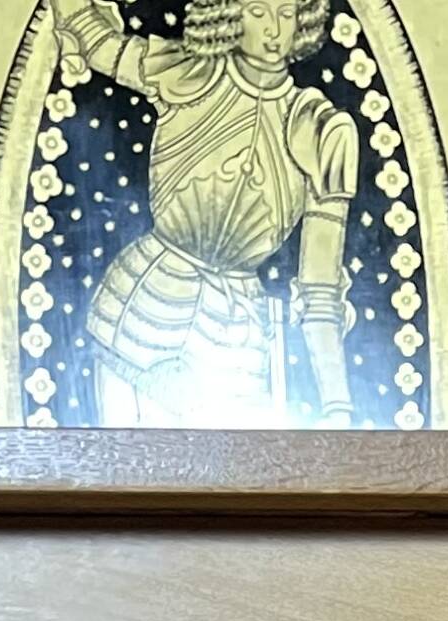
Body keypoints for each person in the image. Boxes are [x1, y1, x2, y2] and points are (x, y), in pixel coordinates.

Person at [50, 0, 362, 426]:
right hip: (139, 315)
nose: (274, 30)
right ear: (230, 14)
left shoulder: (321, 129)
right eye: (258, 11)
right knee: (126, 479)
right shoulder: (187, 72)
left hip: (236, 344)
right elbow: (97, 40)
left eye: (286, 13)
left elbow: (320, 289)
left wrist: (338, 407)